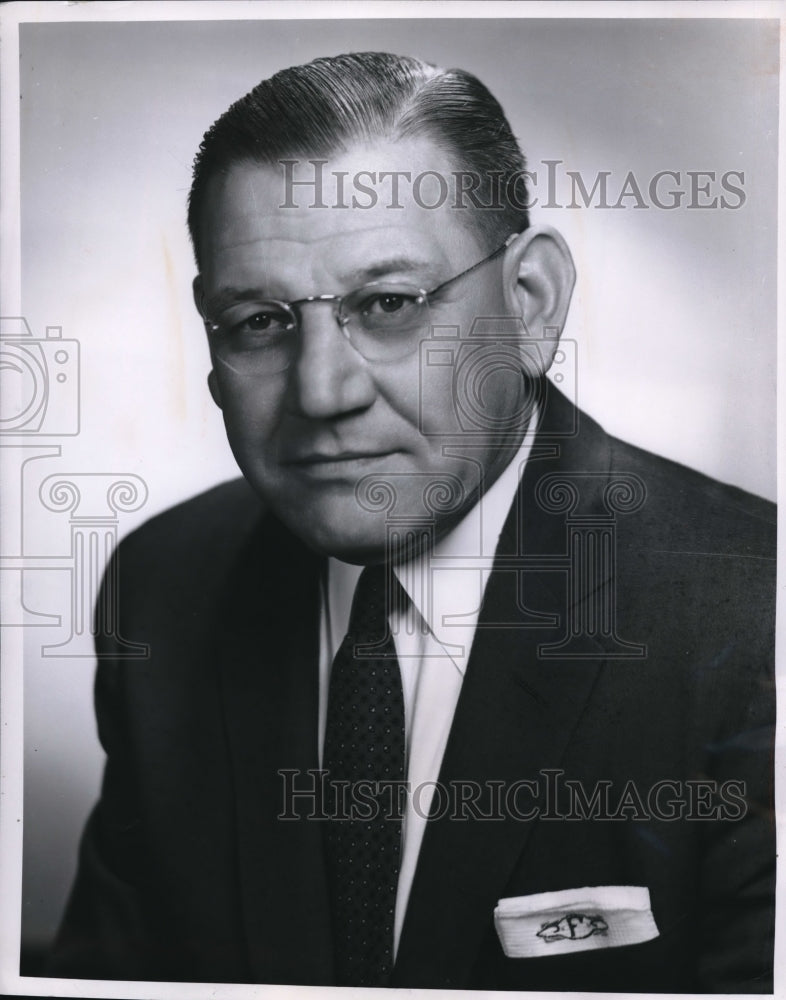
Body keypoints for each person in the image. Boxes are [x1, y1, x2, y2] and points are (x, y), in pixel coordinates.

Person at [46, 52, 775, 992]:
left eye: (388, 305)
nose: (322, 391)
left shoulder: (754, 617)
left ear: (531, 303)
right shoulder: (166, 589)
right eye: (260, 322)